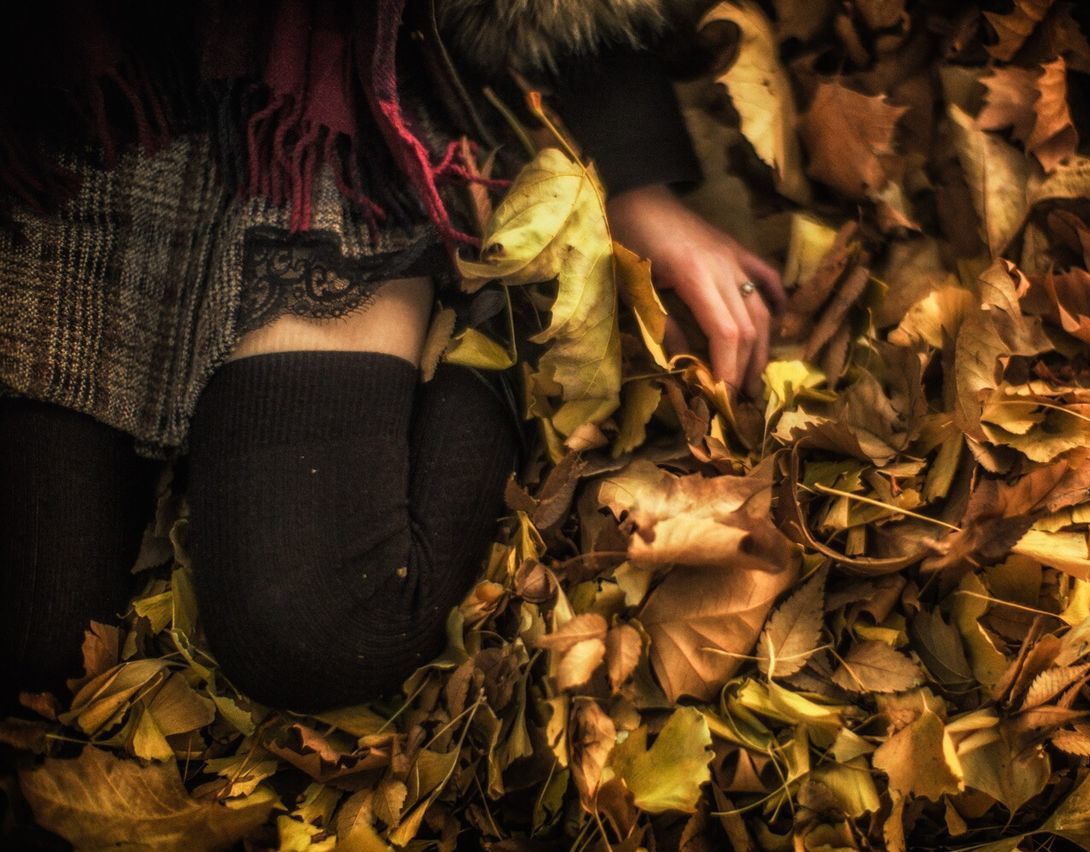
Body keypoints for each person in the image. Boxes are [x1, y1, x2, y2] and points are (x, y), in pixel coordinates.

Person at [0, 0, 783, 712]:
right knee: (34, 630)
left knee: (322, 620)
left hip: (352, 89)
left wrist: (629, 178)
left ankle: (512, 291)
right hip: (82, 105)